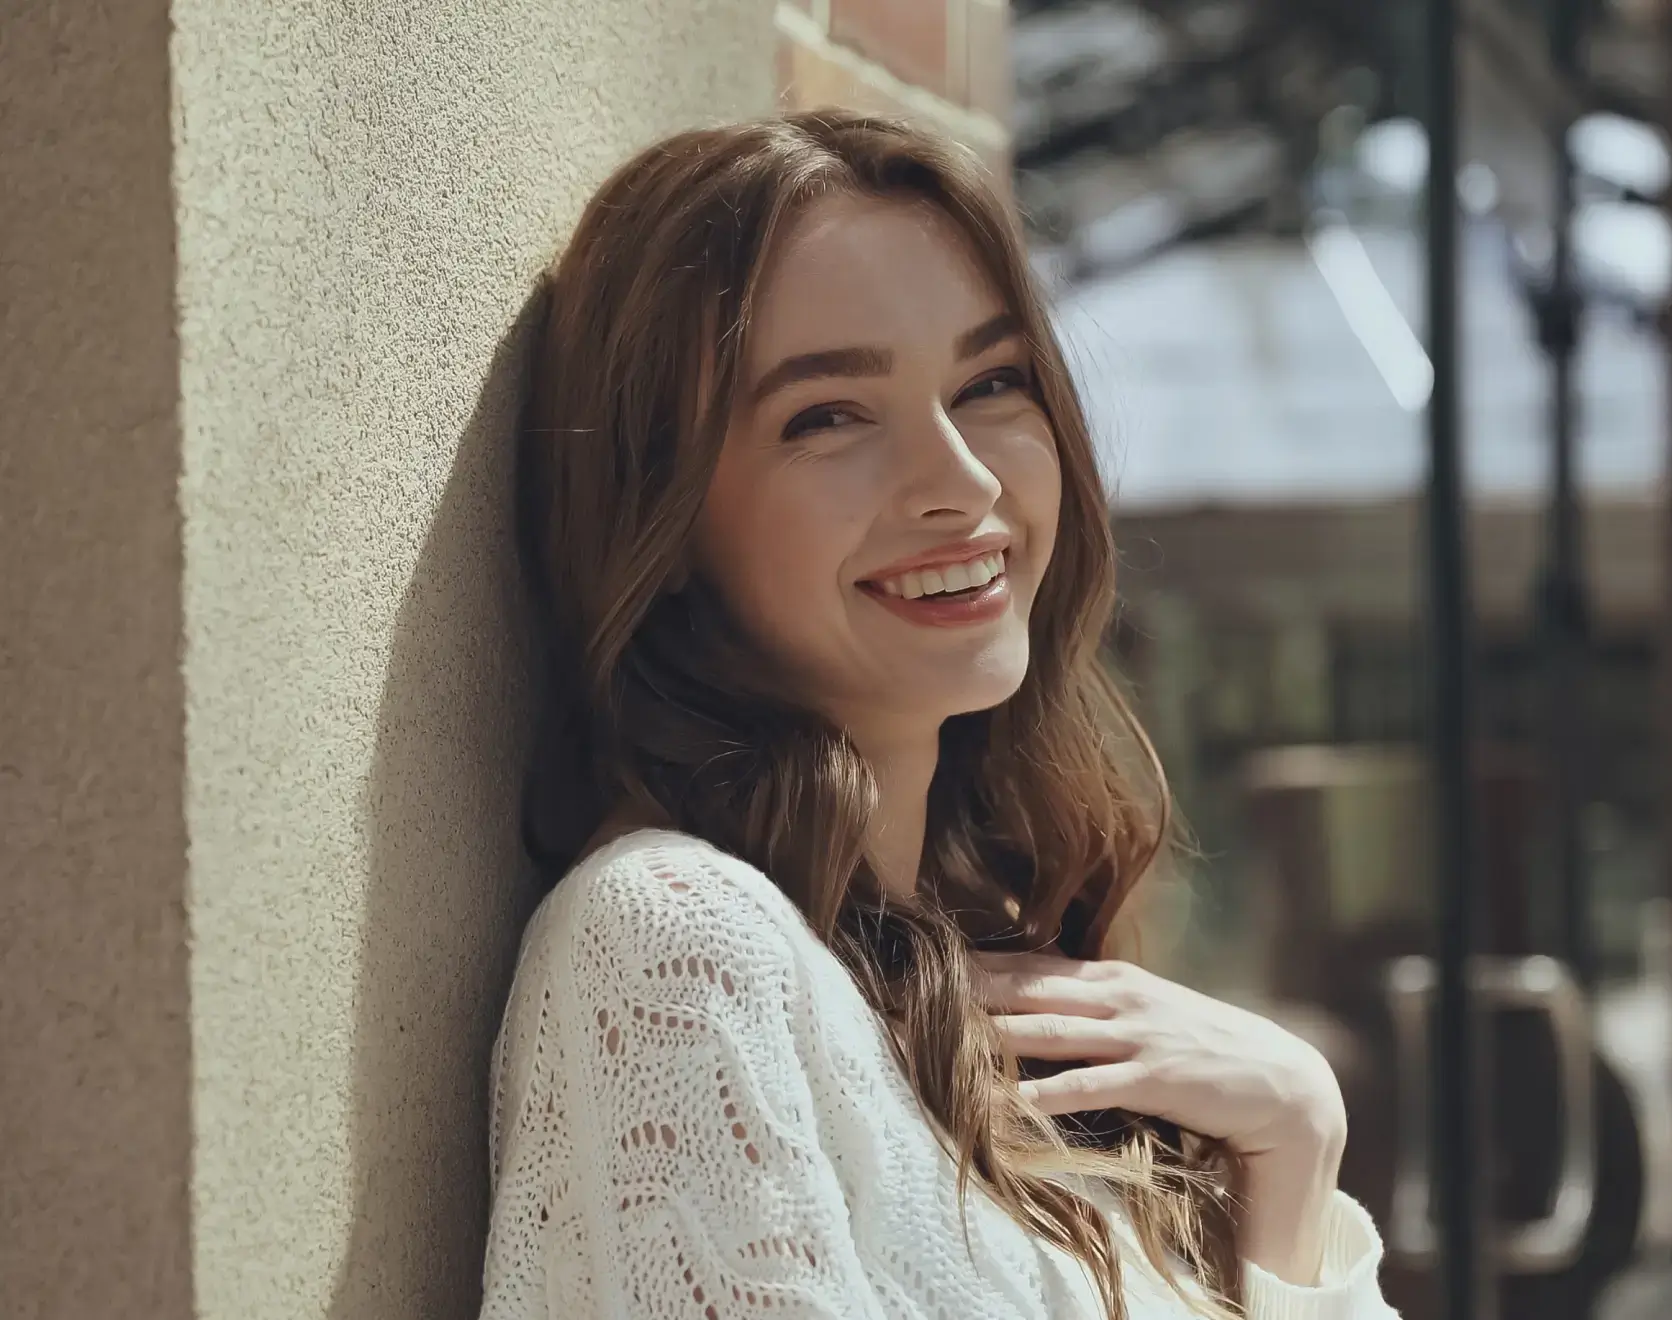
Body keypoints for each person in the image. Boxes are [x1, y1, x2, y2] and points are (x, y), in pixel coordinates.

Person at [480, 110, 1399, 1320]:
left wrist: (1294, 1142)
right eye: (827, 416)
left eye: (989, 384)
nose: (960, 480)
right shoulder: (668, 946)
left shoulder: (973, 982)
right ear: (665, 517)